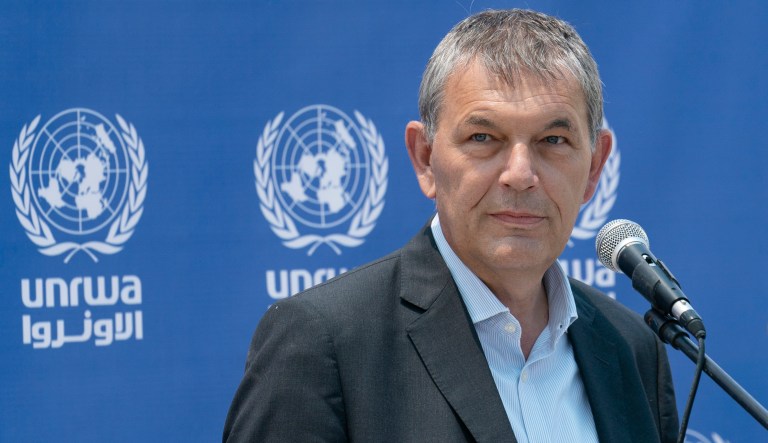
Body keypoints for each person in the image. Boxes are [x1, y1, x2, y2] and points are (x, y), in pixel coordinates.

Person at [223, 9, 679, 443]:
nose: (520, 174)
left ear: (595, 166)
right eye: (483, 138)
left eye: (553, 140)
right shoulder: (325, 343)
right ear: (425, 158)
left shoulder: (632, 349)